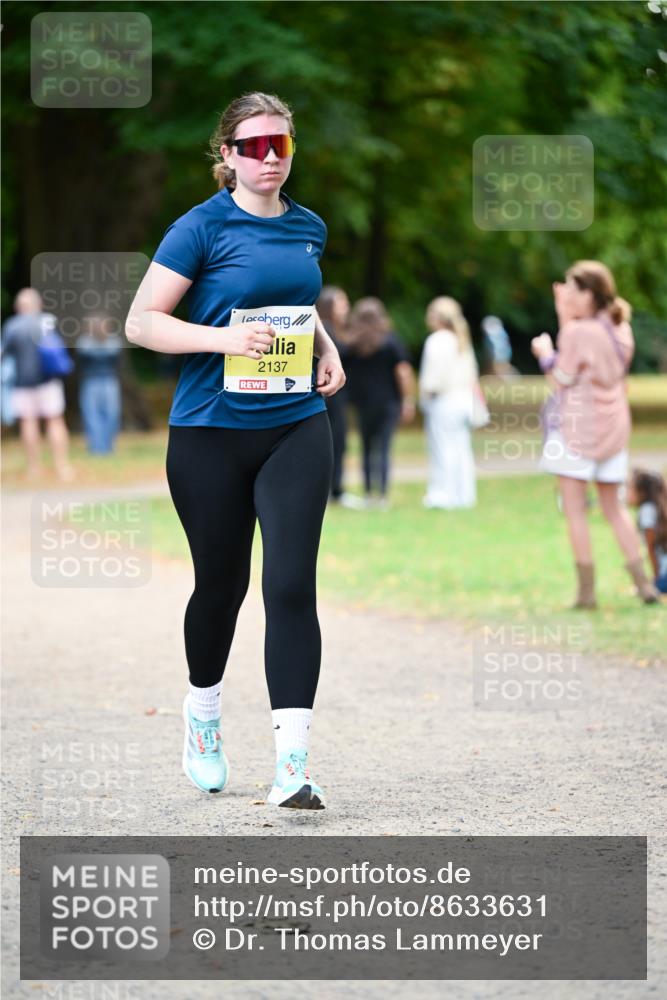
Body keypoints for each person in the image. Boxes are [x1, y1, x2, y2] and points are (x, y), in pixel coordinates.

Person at [125, 92, 345, 809]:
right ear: (227, 156)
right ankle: (204, 715)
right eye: (254, 146)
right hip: (209, 434)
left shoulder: (307, 227)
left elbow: (292, 306)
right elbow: (142, 323)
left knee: (289, 584)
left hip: (294, 424)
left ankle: (292, 766)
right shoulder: (198, 228)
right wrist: (221, 340)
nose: (270, 156)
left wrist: (326, 347)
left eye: (280, 143)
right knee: (222, 588)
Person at [531, 260, 659, 607]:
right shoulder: (620, 327)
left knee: (575, 510)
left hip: (578, 428)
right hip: (613, 426)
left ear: (588, 293)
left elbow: (560, 378)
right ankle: (643, 583)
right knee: (614, 509)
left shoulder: (577, 332)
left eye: (572, 288)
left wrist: (544, 354)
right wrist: (564, 315)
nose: (567, 293)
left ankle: (586, 593)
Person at [344, 297, 415, 509]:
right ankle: (382, 495)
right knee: (383, 448)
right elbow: (403, 372)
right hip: (388, 402)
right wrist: (408, 400)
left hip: (363, 403)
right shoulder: (390, 341)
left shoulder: (352, 344)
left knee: (366, 448)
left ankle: (367, 494)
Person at [0, 288, 74, 481]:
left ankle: (34, 469)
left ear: (18, 307)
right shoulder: (48, 322)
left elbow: (4, 354)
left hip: (22, 383)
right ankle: (62, 467)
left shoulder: (12, 326)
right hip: (49, 381)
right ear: (38, 304)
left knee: (28, 422)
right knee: (55, 421)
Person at [419, 296, 479, 509]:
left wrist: (425, 396)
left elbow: (432, 378)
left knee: (442, 449)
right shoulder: (460, 340)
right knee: (461, 448)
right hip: (464, 400)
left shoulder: (437, 340)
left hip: (444, 401)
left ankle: (442, 494)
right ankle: (464, 495)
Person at [316, 285, 361, 508]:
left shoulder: (339, 330)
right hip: (328, 397)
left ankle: (337, 488)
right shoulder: (325, 329)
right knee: (333, 443)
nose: (346, 307)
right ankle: (332, 490)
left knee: (341, 443)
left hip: (339, 397)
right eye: (341, 302)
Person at [76, 313, 123, 454]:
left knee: (112, 414)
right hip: (91, 381)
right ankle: (96, 447)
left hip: (109, 380)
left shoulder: (113, 341)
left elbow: (113, 354)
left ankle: (108, 446)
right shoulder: (84, 342)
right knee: (92, 415)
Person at [626, 468, 667, 594]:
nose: (626, 493)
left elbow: (651, 548)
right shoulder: (659, 509)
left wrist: (656, 577)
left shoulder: (646, 511)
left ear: (642, 492)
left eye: (630, 488)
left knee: (642, 590)